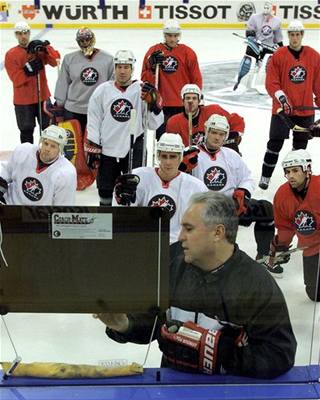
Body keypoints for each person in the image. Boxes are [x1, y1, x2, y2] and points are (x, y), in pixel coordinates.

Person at [96, 191, 297, 378]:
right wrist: (124, 324)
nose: (181, 236)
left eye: (189, 228)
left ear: (218, 233)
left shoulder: (256, 284)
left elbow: (280, 355)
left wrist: (218, 352)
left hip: (227, 391)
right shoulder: (170, 261)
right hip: (171, 384)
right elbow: (154, 324)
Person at [180, 114, 274, 259]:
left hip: (231, 205)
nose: (217, 137)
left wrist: (244, 192)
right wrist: (183, 168)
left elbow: (247, 178)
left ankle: (264, 255)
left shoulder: (231, 155)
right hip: (204, 208)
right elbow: (177, 180)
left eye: (221, 134)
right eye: (214, 132)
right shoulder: (191, 153)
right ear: (206, 131)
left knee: (266, 209)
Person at [86, 49, 164, 206]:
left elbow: (153, 124)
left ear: (132, 69)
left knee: (135, 189)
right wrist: (94, 146)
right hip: (107, 148)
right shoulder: (102, 90)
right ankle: (106, 220)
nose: (122, 71)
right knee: (105, 190)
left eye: (126, 67)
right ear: (114, 68)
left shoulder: (142, 90)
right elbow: (93, 120)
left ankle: (130, 223)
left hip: (134, 147)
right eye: (119, 67)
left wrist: (153, 105)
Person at [112, 133, 207, 245]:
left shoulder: (196, 187)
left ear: (180, 157)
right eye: (164, 156)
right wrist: (120, 199)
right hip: (143, 242)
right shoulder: (137, 177)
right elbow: (122, 216)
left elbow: (205, 223)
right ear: (158, 156)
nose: (168, 162)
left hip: (178, 246)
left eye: (172, 156)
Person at [259, 19, 320, 190]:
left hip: (305, 110)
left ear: (302, 35)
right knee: (274, 144)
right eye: (292, 35)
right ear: (288, 36)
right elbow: (271, 82)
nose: (294, 38)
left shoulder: (314, 55)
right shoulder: (278, 56)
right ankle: (265, 176)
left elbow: (318, 82)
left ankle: (296, 179)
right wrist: (283, 99)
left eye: (297, 34)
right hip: (281, 110)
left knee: (300, 148)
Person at [264, 150, 320, 300]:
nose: (291, 176)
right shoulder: (282, 195)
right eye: (287, 172)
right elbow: (285, 227)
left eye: (295, 170)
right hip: (311, 246)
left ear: (307, 169)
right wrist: (280, 247)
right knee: (315, 294)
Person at [141, 19, 202, 139]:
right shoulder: (153, 51)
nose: (172, 39)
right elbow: (145, 80)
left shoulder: (188, 53)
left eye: (175, 35)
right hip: (160, 105)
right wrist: (152, 68)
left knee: (183, 139)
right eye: (169, 35)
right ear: (164, 35)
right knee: (163, 140)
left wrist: (195, 98)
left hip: (183, 105)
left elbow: (196, 79)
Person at [4, 21, 60, 144]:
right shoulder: (11, 54)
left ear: (29, 33)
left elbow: (55, 61)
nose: (23, 36)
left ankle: (49, 158)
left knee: (49, 130)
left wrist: (46, 49)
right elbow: (16, 79)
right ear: (16, 35)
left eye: (25, 33)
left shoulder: (37, 49)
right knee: (26, 131)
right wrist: (28, 69)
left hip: (43, 97)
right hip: (23, 101)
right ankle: (27, 157)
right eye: (19, 33)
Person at [54, 27, 114, 134]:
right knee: (74, 146)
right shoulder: (69, 59)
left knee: (95, 146)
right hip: (73, 110)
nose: (85, 43)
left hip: (98, 110)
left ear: (93, 39)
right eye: (81, 40)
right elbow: (63, 82)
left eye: (87, 39)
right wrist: (59, 104)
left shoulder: (108, 59)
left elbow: (112, 85)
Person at [0, 125, 76, 205]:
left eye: (53, 146)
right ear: (41, 142)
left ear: (60, 149)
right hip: (9, 206)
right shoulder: (23, 151)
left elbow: (63, 208)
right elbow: (6, 173)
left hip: (38, 215)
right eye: (46, 143)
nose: (47, 149)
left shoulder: (66, 173)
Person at [166, 84, 245, 154]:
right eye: (187, 98)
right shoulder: (173, 122)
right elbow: (172, 149)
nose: (190, 101)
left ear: (199, 100)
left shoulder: (214, 111)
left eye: (194, 98)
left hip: (216, 156)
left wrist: (233, 135)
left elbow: (237, 121)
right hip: (191, 162)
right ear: (182, 101)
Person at [234, 1, 283, 91]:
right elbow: (249, 31)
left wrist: (280, 48)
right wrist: (253, 39)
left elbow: (278, 38)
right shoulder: (254, 17)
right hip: (255, 43)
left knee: (268, 63)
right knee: (248, 60)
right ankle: (241, 81)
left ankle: (262, 84)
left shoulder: (277, 21)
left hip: (269, 45)